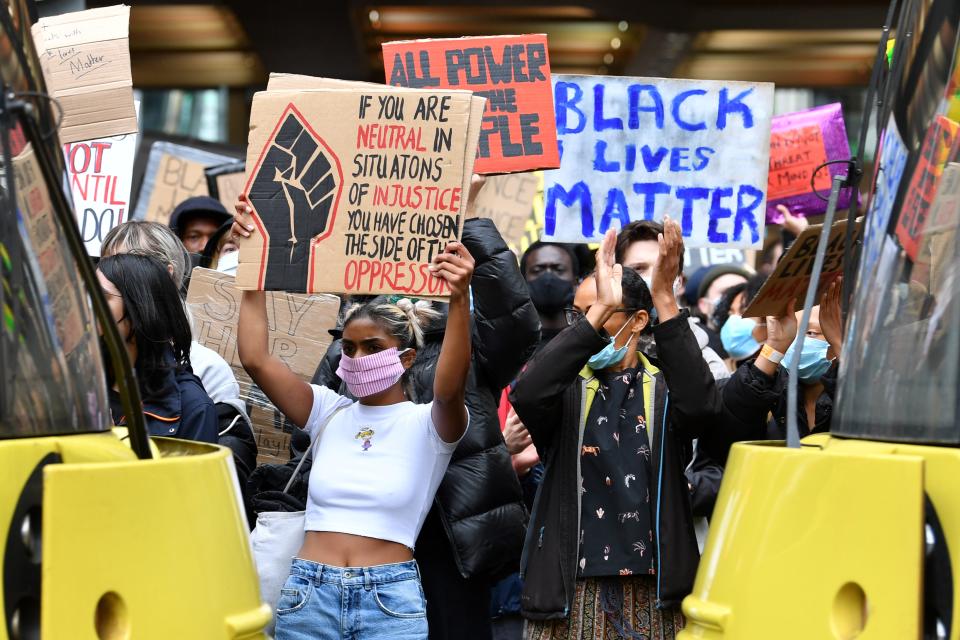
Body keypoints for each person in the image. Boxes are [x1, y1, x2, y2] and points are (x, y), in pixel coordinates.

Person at [240, 180, 539, 640]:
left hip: (388, 600)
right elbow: (256, 359)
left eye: (372, 347)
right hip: (308, 594)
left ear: (407, 358)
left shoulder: (431, 426)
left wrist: (459, 297)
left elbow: (451, 382)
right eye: (349, 347)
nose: (356, 358)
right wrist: (254, 264)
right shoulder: (327, 411)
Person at [511, 219, 724, 638]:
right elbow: (528, 393)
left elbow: (702, 409)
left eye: (605, 312)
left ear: (640, 320)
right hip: (571, 592)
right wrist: (595, 320)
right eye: (581, 313)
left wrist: (665, 297)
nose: (587, 322)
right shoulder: (566, 391)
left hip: (654, 591)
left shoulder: (664, 387)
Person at [101, 220, 258, 521]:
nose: (108, 280)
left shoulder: (201, 378)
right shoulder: (84, 370)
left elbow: (204, 493)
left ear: (162, 277)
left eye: (127, 269)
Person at [97, 253, 218, 443]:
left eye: (101, 296)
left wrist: (112, 449)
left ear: (140, 308)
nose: (87, 303)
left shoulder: (194, 408)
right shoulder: (77, 381)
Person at [520, 241, 579, 342]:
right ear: (523, 280)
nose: (548, 278)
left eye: (559, 269)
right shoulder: (509, 341)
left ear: (575, 282)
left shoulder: (589, 337)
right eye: (537, 270)